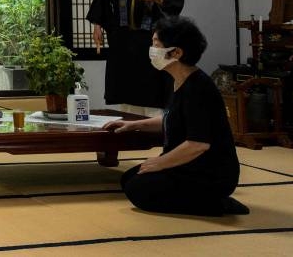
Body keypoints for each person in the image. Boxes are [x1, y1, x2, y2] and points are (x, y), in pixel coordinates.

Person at [105, 16, 248, 216]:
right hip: (187, 164)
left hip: (209, 172)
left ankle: (215, 203)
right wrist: (134, 125)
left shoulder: (198, 88)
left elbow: (198, 144)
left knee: (137, 189)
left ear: (177, 52)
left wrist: (158, 163)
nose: (152, 50)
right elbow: (172, 119)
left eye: (156, 44)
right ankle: (208, 200)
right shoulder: (179, 80)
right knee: (128, 179)